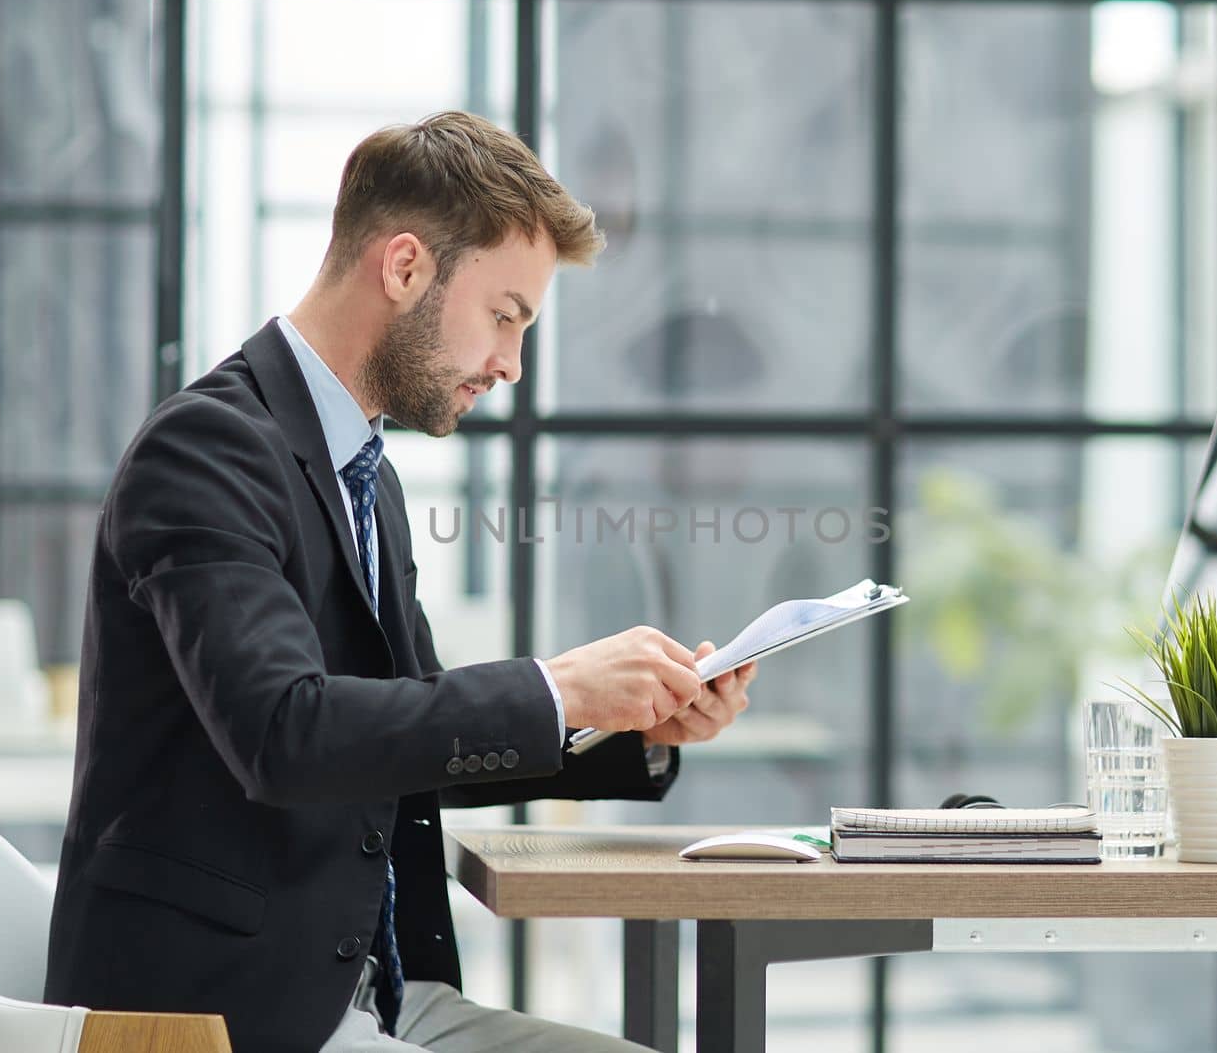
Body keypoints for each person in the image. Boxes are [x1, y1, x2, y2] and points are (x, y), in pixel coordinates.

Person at [43, 111, 757, 1053]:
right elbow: (284, 735)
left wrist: (629, 723)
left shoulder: (361, 474)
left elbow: (408, 732)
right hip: (227, 1015)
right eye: (505, 315)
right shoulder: (207, 449)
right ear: (406, 266)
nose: (509, 364)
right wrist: (556, 687)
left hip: (368, 998)